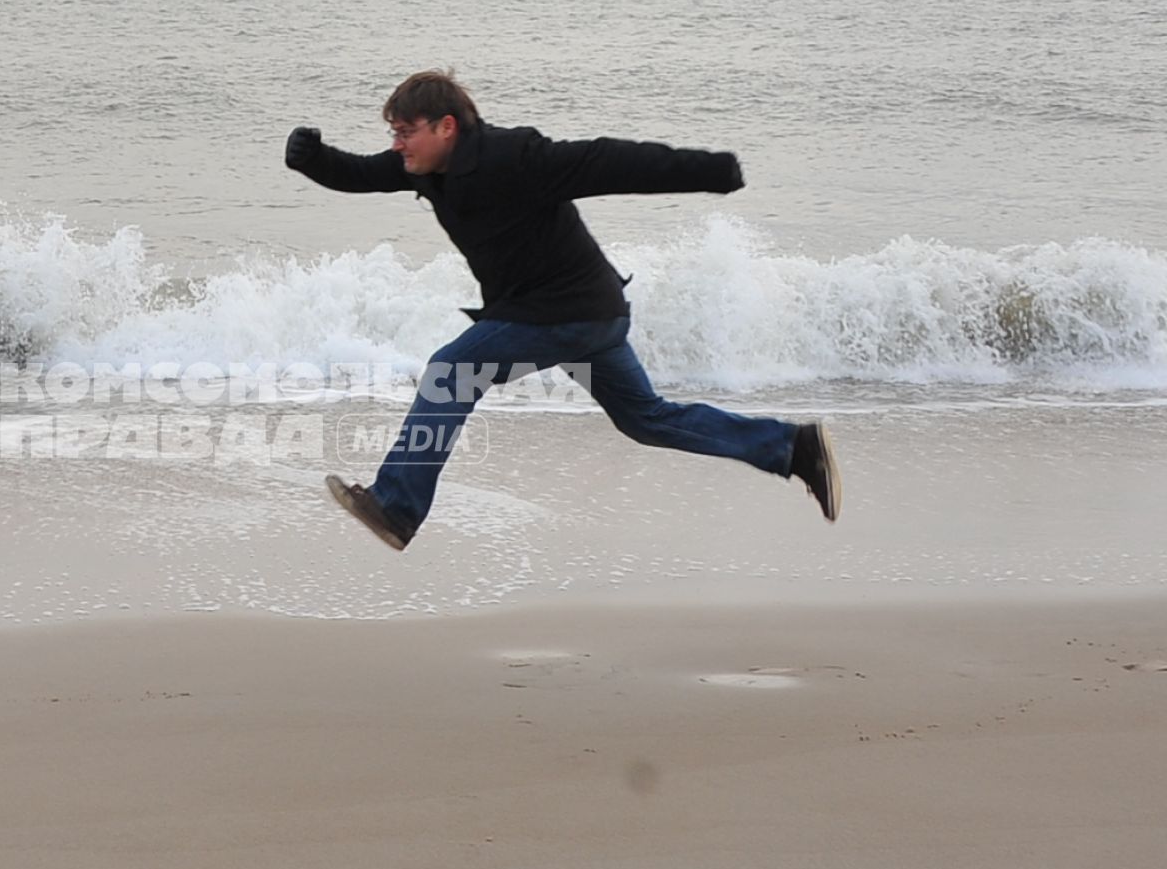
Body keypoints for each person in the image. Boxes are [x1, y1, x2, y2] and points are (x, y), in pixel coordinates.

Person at [286, 69, 839, 551]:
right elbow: (359, 174)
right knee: (645, 418)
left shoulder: (514, 157)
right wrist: (312, 159)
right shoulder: (426, 168)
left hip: (562, 312)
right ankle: (791, 447)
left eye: (406, 132)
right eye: (395, 134)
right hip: (589, 315)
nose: (398, 145)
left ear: (445, 126)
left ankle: (398, 506)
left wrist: (709, 171)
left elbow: (607, 162)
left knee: (451, 373)